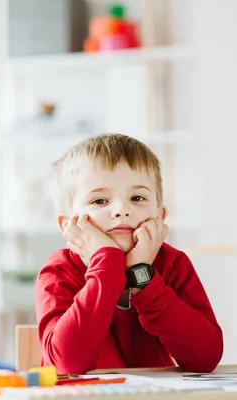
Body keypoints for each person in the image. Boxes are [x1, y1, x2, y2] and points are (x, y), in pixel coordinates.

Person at [35, 133, 223, 374]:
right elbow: (68, 363)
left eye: (137, 197)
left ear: (159, 215)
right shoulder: (59, 271)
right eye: (100, 200)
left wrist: (141, 278)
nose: (122, 210)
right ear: (67, 225)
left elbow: (205, 358)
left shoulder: (174, 264)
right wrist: (107, 262)